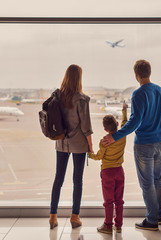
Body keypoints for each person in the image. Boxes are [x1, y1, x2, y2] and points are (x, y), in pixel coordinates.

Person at [102, 59, 161, 231]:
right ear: (149, 72)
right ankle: (157, 215)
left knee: (147, 183)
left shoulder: (138, 94)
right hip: (160, 144)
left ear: (136, 75)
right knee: (157, 179)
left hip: (144, 145)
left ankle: (151, 220)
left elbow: (134, 122)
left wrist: (116, 136)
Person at [49, 64, 93, 229]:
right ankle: (75, 216)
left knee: (58, 179)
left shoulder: (57, 96)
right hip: (79, 144)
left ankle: (53, 216)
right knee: (77, 180)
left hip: (61, 143)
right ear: (79, 78)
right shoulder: (82, 99)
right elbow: (86, 126)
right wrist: (90, 145)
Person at [88, 101, 128, 234]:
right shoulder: (122, 136)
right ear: (116, 124)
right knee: (119, 200)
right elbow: (125, 122)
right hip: (119, 171)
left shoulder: (104, 141)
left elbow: (99, 156)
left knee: (108, 201)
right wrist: (124, 109)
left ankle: (108, 225)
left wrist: (89, 155)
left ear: (105, 129)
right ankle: (119, 225)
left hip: (107, 173)